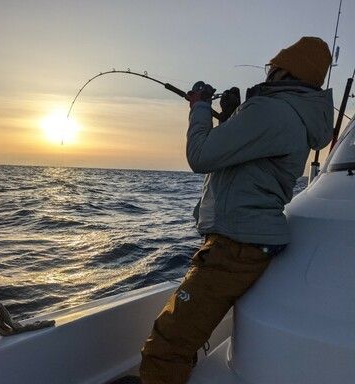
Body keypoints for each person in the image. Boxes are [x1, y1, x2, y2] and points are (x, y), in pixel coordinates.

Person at [112, 36, 334, 384]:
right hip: (246, 241)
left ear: (284, 71)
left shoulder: (270, 110)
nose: (268, 72)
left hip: (234, 245)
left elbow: (201, 155)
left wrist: (200, 107)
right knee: (180, 328)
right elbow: (247, 158)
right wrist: (231, 118)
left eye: (272, 67)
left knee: (168, 340)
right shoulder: (293, 115)